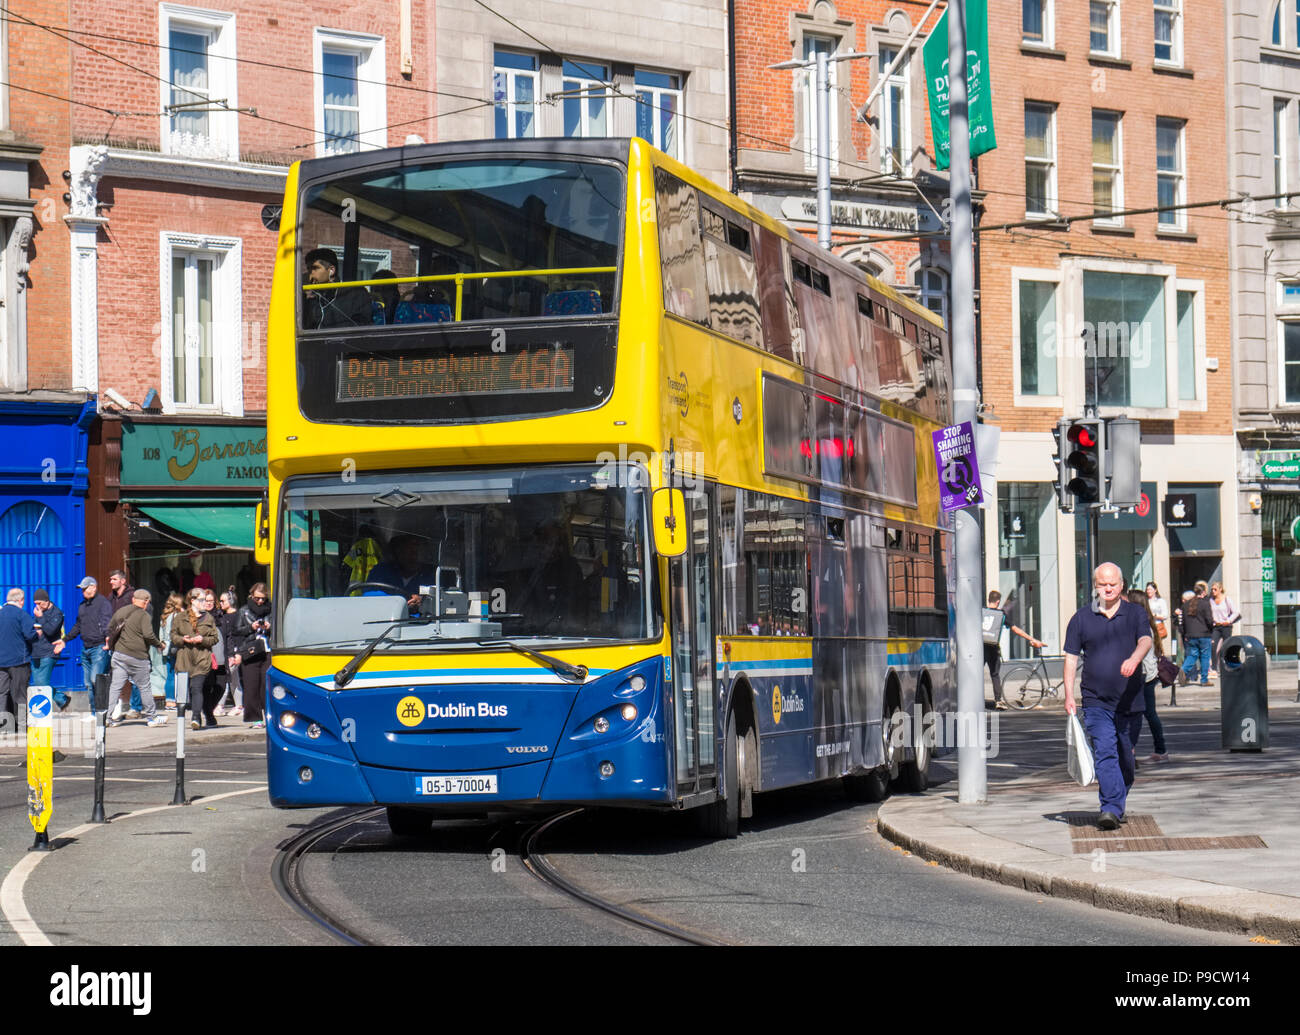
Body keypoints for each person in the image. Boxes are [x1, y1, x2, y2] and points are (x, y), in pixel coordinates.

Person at [1063, 562, 1152, 830]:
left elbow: (1146, 640)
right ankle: (1110, 808)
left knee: (1125, 756)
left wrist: (1135, 659)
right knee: (1104, 751)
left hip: (1130, 699)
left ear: (1122, 585)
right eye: (1102, 584)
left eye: (1113, 583)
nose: (1108, 588)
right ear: (1095, 586)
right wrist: (1069, 695)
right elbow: (1070, 659)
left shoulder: (1135, 613)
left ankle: (1117, 800)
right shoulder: (1081, 618)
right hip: (1095, 699)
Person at [105, 590, 167, 727]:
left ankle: (107, 717)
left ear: (133, 599)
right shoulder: (143, 615)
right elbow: (148, 635)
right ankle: (152, 717)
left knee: (115, 687)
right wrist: (160, 644)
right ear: (146, 602)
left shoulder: (121, 611)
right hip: (137, 657)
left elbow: (110, 628)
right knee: (144, 687)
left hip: (119, 655)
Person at [57, 576, 113, 718]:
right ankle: (94, 713)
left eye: (85, 588)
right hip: (86, 648)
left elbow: (107, 622)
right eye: (82, 589)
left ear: (94, 587)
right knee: (88, 683)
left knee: (96, 680)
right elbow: (78, 625)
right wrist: (65, 640)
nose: (83, 592)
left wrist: (107, 638)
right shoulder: (82, 606)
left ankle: (103, 711)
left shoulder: (103, 603)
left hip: (99, 647)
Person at [984, 589, 1044, 710]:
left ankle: (973, 698)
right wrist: (1031, 638)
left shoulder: (981, 612)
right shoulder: (1001, 615)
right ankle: (998, 701)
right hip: (993, 648)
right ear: (998, 601)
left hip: (980, 647)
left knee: (976, 674)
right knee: (995, 675)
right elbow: (1016, 629)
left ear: (988, 600)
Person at [1127, 589, 1169, 763]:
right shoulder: (1146, 622)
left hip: (1144, 675)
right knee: (1148, 714)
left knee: (1143, 714)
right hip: (1148, 674)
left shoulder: (1141, 624)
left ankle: (1157, 749)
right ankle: (1160, 749)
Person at [172, 588, 218, 730]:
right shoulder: (180, 617)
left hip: (202, 658)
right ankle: (200, 716)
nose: (205, 603)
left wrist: (202, 639)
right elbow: (173, 636)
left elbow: (214, 638)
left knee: (196, 687)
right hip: (185, 658)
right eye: (201, 600)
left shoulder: (208, 618)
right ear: (192, 601)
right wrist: (182, 639)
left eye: (205, 599)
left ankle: (196, 718)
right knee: (187, 690)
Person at [302, 247, 372, 329]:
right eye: (309, 269)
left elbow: (361, 327)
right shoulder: (312, 298)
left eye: (315, 268)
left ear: (331, 270)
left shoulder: (355, 293)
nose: (310, 275)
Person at [232, 583, 271, 728]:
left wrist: (269, 627)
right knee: (251, 685)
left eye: (263, 599)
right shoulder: (244, 611)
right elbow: (236, 631)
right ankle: (255, 718)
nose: (260, 601)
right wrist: (251, 627)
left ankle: (270, 716)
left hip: (267, 651)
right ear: (251, 596)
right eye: (257, 598)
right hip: (250, 651)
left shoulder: (272, 610)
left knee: (266, 686)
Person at [0, 588, 37, 736]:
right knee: (20, 694)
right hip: (19, 662)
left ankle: (3, 727)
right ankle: (22, 727)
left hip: (1, 663)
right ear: (21, 600)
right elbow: (30, 635)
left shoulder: (0, 613)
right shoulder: (22, 615)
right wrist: (38, 633)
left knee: (2, 693)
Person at [367, 534, 435, 610]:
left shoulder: (433, 575)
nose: (413, 557)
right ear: (397, 553)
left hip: (419, 621)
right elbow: (370, 598)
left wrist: (422, 601)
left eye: (417, 552)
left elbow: (441, 601)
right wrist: (402, 602)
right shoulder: (380, 571)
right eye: (409, 552)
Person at [30, 589, 69, 710]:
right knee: (38, 684)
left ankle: (44, 709)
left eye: (40, 603)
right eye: (35, 603)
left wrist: (41, 618)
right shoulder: (38, 612)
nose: (38, 606)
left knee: (42, 684)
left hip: (49, 651)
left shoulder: (57, 613)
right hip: (36, 651)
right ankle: (62, 698)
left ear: (47, 601)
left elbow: (51, 630)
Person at [1175, 583, 1214, 686]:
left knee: (1192, 655)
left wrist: (1185, 634)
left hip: (1191, 635)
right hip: (1204, 634)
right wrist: (1211, 631)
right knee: (1205, 656)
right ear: (1202, 592)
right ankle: (1204, 680)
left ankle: (1183, 669)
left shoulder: (1185, 605)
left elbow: (1182, 622)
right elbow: (1209, 620)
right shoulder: (1205, 604)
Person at [213, 588, 243, 717]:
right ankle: (238, 705)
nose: (220, 603)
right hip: (227, 652)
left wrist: (234, 653)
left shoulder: (237, 616)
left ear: (230, 601)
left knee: (227, 678)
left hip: (233, 652)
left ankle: (220, 705)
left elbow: (236, 636)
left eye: (223, 600)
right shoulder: (222, 616)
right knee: (233, 680)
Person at [156, 591, 185, 709]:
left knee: (170, 674)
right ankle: (177, 699)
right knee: (178, 674)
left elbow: (160, 635)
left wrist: (162, 644)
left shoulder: (165, 616)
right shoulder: (178, 616)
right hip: (176, 647)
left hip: (166, 648)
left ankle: (169, 700)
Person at [1209, 581, 1241, 674]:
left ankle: (1226, 665)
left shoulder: (1227, 599)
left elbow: (1236, 612)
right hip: (1216, 626)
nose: (1213, 591)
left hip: (1226, 626)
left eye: (1215, 589)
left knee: (1226, 646)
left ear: (1220, 589)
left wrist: (1229, 620)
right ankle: (1214, 667)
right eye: (1212, 589)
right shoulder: (1211, 600)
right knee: (1213, 646)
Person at [1145, 582, 1169, 647]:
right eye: (1147, 589)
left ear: (1155, 590)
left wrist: (1155, 616)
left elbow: (1165, 615)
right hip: (1147, 625)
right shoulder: (1145, 601)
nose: (1148, 591)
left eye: (1150, 589)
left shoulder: (1160, 601)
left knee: (1157, 645)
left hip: (1157, 625)